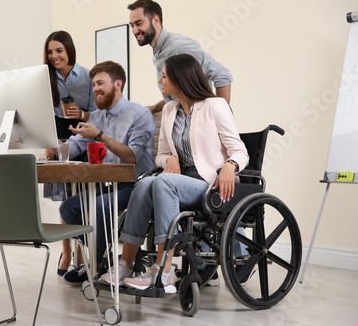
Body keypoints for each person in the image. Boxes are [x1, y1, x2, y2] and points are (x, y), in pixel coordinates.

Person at [99, 54, 248, 292]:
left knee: (162, 182)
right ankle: (125, 264)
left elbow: (239, 150)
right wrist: (170, 158)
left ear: (181, 78)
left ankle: (164, 270)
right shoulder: (169, 110)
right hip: (175, 181)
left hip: (208, 185)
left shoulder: (215, 106)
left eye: (165, 76)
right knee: (145, 183)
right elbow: (161, 154)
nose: (160, 80)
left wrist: (230, 165)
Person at [60, 60, 155, 284]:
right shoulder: (96, 117)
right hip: (107, 184)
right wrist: (52, 146)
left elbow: (133, 156)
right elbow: (74, 146)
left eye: (100, 83)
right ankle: (103, 258)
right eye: (93, 84)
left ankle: (96, 263)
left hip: (137, 186)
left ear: (118, 84)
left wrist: (100, 135)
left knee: (101, 206)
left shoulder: (140, 114)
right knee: (69, 209)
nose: (95, 89)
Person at [44, 31, 98, 275]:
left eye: (59, 50)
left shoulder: (87, 76)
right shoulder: (45, 77)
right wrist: (48, 142)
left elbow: (98, 112)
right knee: (66, 197)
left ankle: (81, 250)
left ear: (69, 50)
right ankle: (66, 251)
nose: (54, 56)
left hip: (84, 135)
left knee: (84, 198)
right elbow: (43, 111)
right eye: (50, 51)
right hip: (57, 135)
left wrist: (82, 115)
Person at [127, 0, 233, 114]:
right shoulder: (158, 53)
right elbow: (177, 97)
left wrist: (219, 117)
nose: (134, 31)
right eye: (132, 25)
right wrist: (153, 108)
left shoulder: (177, 46)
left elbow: (222, 75)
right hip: (181, 125)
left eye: (139, 24)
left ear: (155, 20)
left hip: (198, 126)